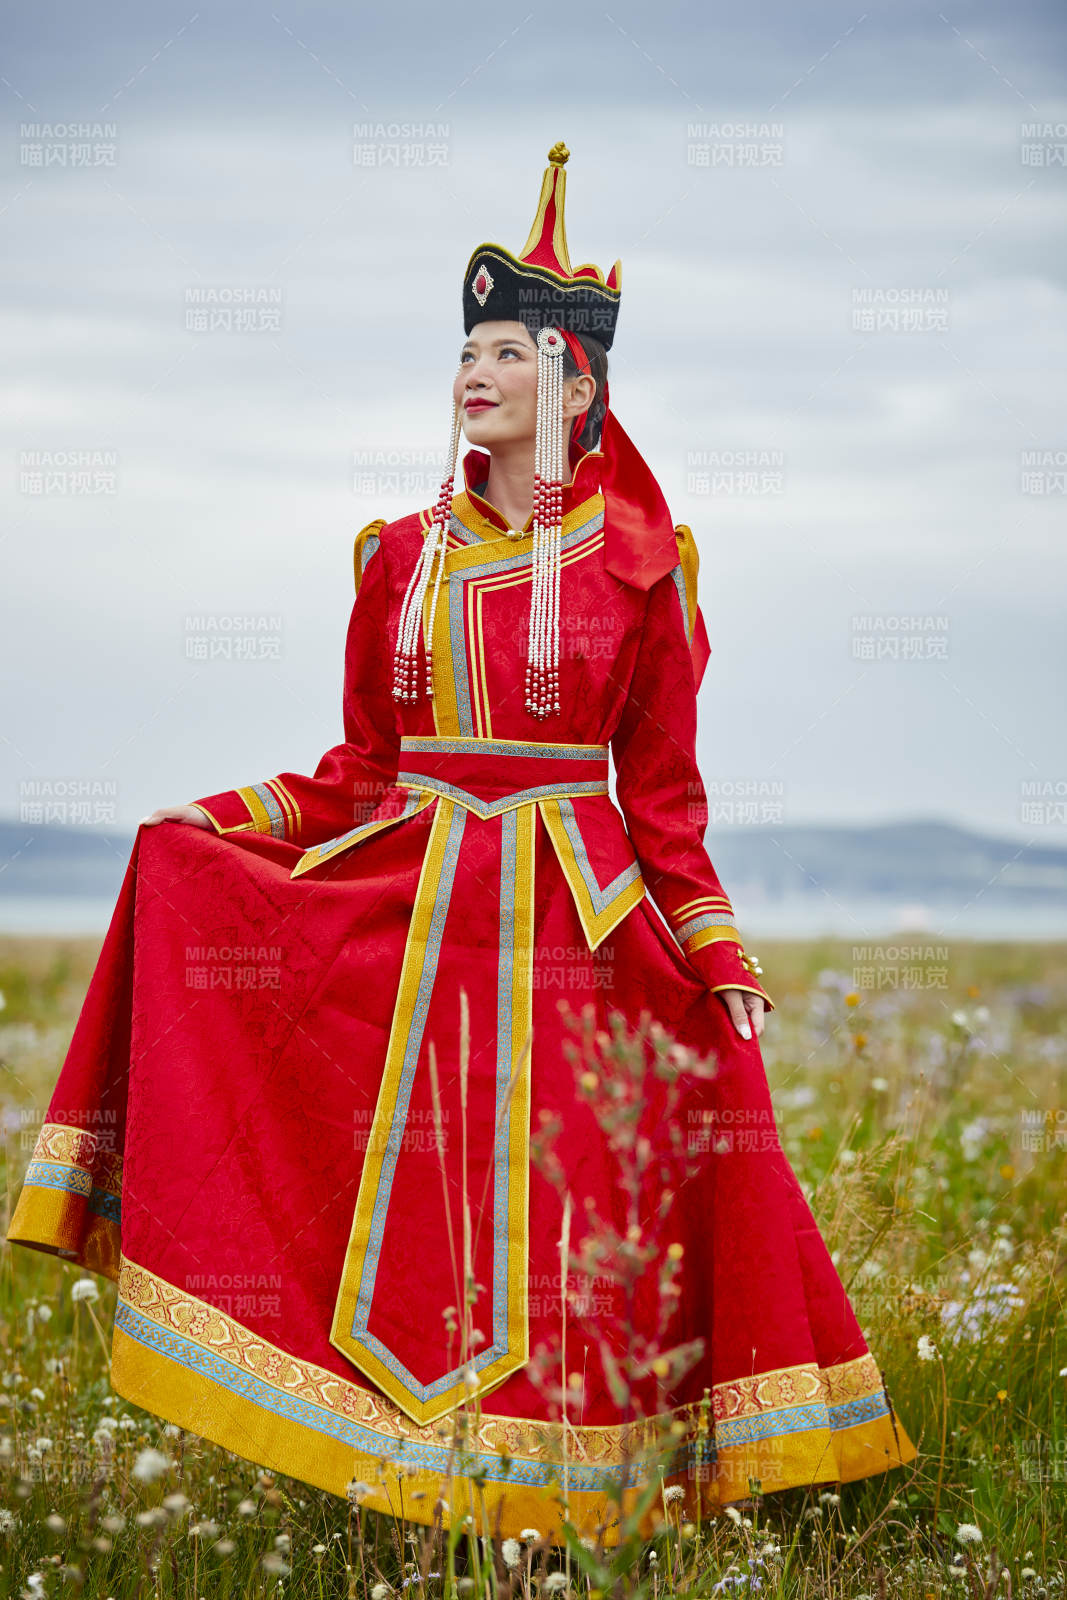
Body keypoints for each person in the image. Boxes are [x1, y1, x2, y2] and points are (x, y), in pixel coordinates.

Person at [6, 142, 917, 1545]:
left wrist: (716, 952)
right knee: (409, 1208)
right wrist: (219, 825)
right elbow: (362, 768)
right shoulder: (393, 557)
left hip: (580, 939)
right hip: (406, 918)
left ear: (577, 382)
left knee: (574, 1224)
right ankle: (411, 1486)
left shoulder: (642, 566)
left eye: (508, 351)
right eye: (467, 351)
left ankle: (571, 1506)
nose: (474, 375)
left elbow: (665, 800)